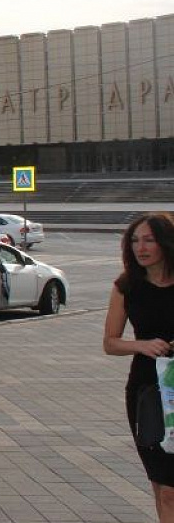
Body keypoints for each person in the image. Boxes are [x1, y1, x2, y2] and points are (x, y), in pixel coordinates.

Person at [104, 212, 174, 521]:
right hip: (147, 393)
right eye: (134, 240)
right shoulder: (126, 287)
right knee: (163, 485)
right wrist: (141, 345)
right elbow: (110, 342)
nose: (140, 247)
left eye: (149, 240)